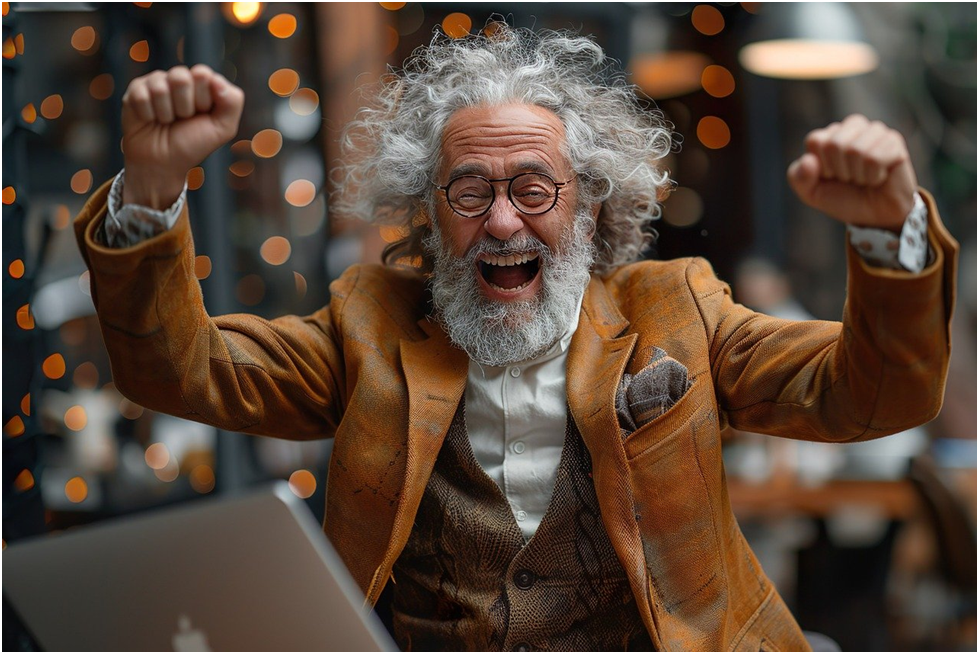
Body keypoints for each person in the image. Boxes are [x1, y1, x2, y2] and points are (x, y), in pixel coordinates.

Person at [74, 25, 958, 652]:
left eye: (533, 188)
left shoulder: (677, 309)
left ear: (590, 202)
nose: (502, 223)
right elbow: (175, 371)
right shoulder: (366, 323)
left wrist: (887, 235)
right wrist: (150, 188)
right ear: (428, 212)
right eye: (468, 192)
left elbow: (874, 395)